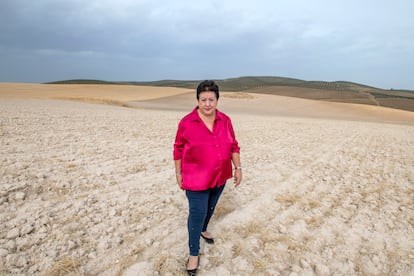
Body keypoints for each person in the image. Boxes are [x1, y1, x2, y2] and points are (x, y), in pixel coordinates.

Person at [173, 80, 242, 275]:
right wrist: (178, 172)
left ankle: (204, 229)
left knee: (210, 208)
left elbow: (234, 145)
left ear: (217, 100)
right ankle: (194, 253)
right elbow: (177, 148)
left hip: (220, 176)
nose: (207, 104)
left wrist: (238, 167)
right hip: (195, 179)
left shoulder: (225, 120)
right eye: (203, 99)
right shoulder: (187, 122)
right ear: (197, 100)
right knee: (197, 213)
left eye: (212, 99)